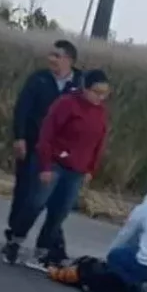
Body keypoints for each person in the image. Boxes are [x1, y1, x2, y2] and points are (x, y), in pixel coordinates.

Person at [2, 39, 82, 265]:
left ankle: (50, 245)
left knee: (56, 200)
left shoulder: (80, 83)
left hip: (62, 153)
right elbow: (22, 108)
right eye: (50, 55)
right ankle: (14, 234)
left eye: (57, 56)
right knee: (27, 192)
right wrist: (19, 137)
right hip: (34, 143)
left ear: (69, 60)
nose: (51, 59)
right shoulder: (39, 79)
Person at [24, 68, 111, 271]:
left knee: (60, 212)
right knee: (36, 203)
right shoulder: (67, 104)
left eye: (104, 93)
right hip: (55, 162)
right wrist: (45, 165)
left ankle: (42, 252)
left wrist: (91, 168)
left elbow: (99, 141)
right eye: (96, 92)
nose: (99, 97)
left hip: (77, 169)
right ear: (85, 88)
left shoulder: (100, 112)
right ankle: (16, 238)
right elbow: (47, 134)